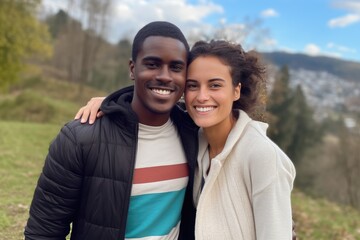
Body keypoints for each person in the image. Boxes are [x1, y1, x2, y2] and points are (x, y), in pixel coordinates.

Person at [75, 40, 296, 239]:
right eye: (192, 85)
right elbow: (151, 105)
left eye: (215, 85)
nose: (201, 96)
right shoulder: (194, 137)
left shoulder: (262, 155)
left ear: (236, 90)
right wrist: (113, 103)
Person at [24, 21, 198, 240]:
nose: (165, 76)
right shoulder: (79, 138)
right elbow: (44, 231)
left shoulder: (195, 133)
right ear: (133, 69)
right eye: (152, 64)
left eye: (176, 67)